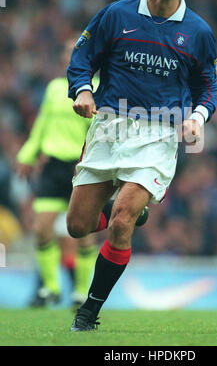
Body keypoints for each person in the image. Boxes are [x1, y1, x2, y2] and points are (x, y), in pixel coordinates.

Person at [67, 0, 217, 331]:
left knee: (120, 221)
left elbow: (209, 87)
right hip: (109, 129)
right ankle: (135, 210)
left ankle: (88, 313)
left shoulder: (198, 31)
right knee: (76, 227)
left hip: (158, 134)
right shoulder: (116, 15)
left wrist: (197, 118)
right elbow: (82, 57)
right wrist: (83, 89)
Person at [16, 38, 148, 309]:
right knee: (42, 227)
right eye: (67, 52)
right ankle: (50, 289)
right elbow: (42, 124)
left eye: (74, 53)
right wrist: (27, 155)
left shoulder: (98, 90)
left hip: (82, 164)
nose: (70, 57)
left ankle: (79, 291)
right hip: (53, 167)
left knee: (82, 230)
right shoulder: (54, 88)